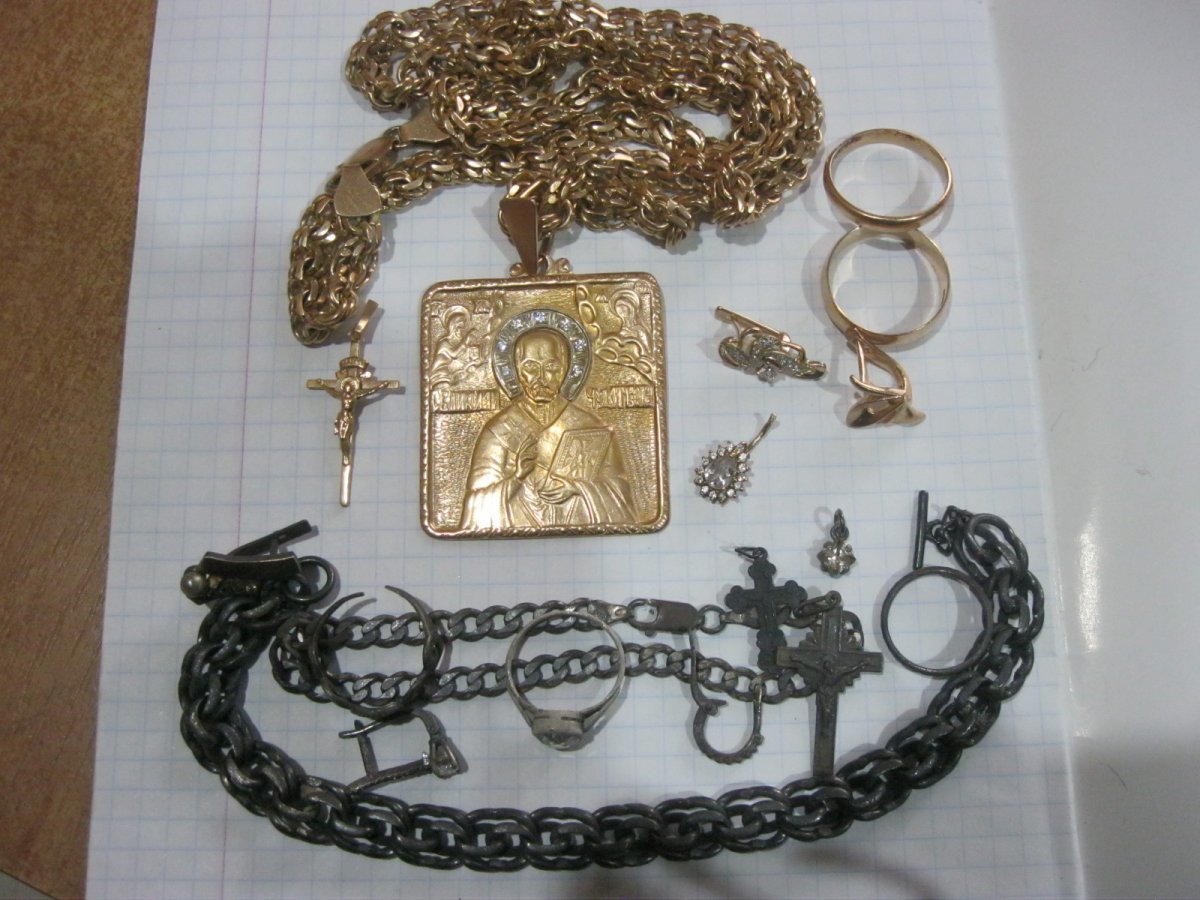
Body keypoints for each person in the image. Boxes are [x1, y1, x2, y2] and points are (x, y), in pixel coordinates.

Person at [460, 328, 635, 530]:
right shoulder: (498, 430)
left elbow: (620, 493)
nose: (542, 378)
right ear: (517, 370)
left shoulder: (590, 425)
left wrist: (576, 488)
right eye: (531, 367)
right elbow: (476, 502)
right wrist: (516, 478)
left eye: (551, 366)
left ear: (565, 369)